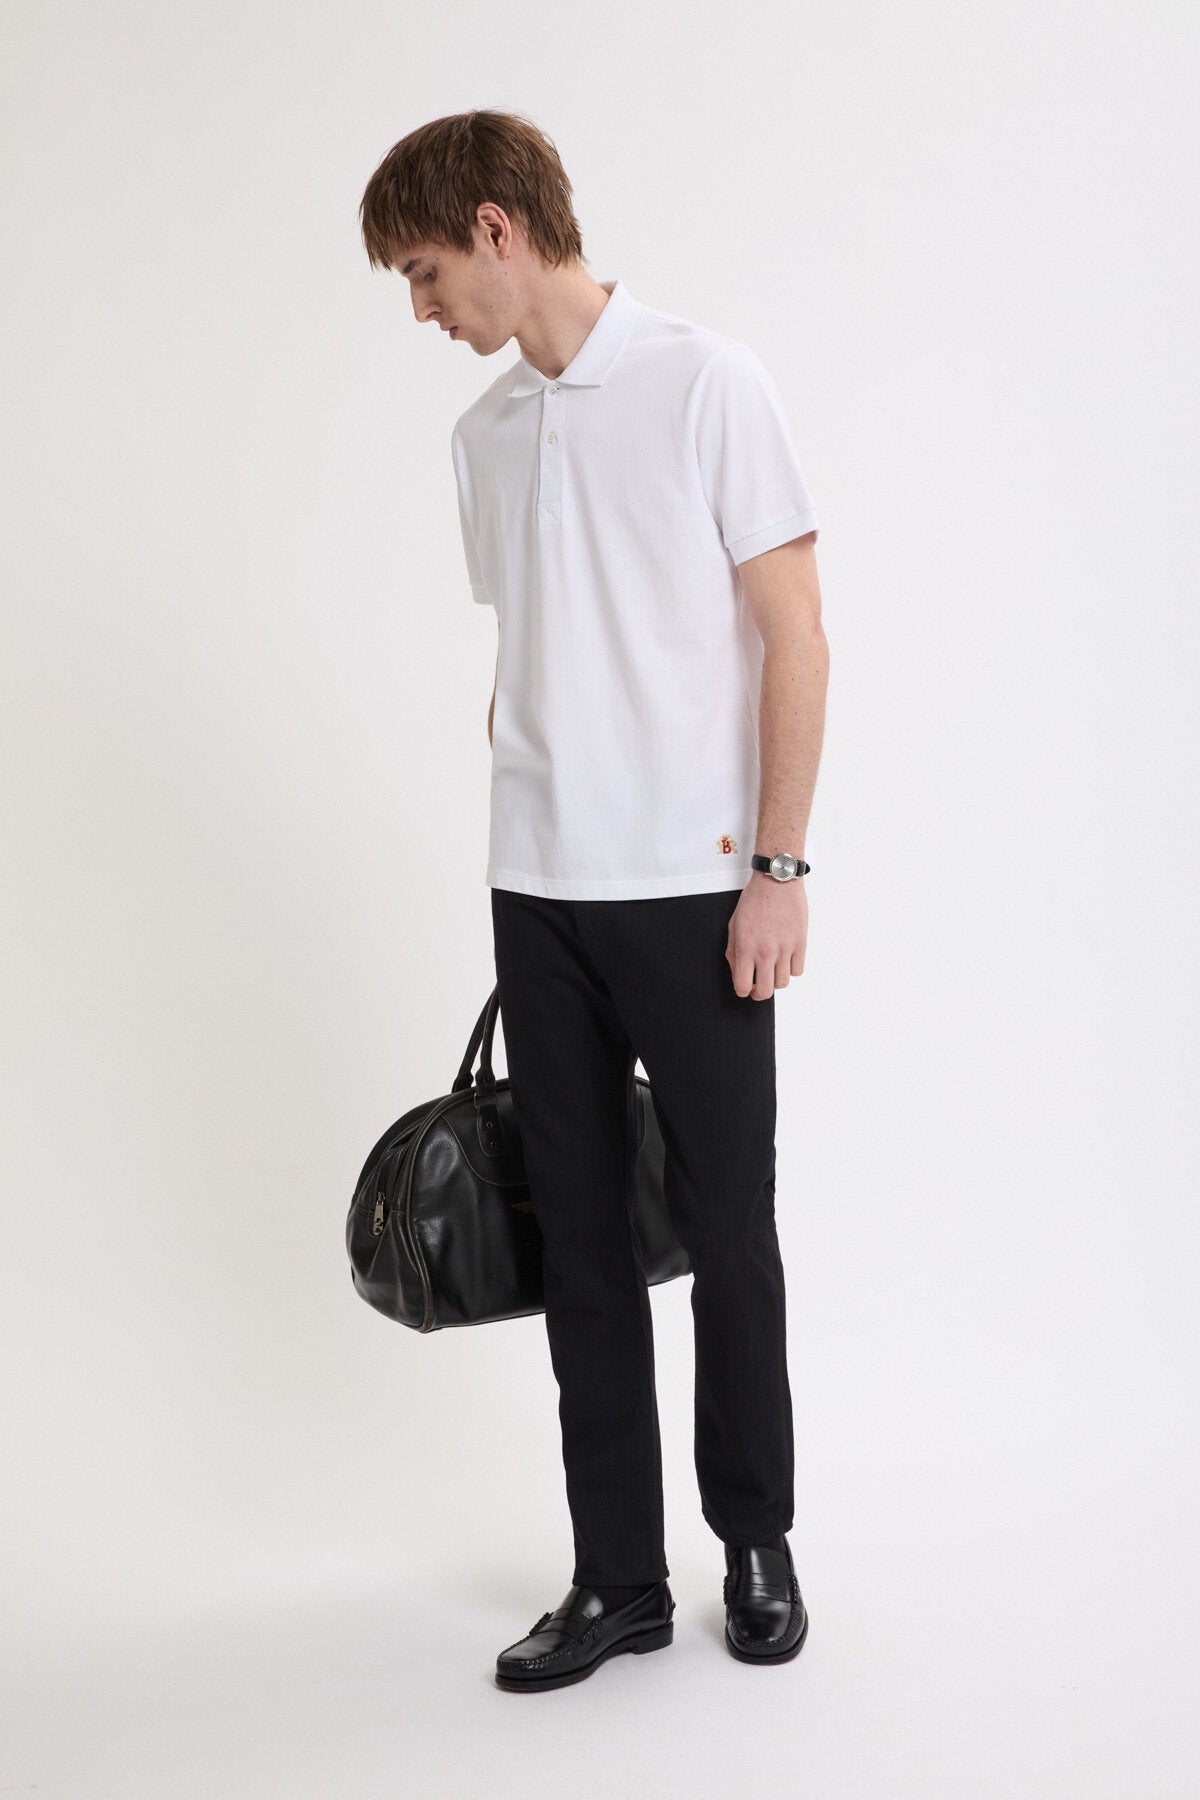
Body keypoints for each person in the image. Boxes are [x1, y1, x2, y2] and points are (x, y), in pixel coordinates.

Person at [359, 109, 828, 1691]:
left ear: (498, 228)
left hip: (693, 889)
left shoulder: (708, 382)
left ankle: (754, 1542)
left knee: (729, 1228)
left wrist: (776, 870)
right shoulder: (484, 435)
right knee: (578, 1247)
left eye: (427, 273)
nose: (422, 309)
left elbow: (797, 634)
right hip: (538, 892)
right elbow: (535, 648)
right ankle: (618, 1578)